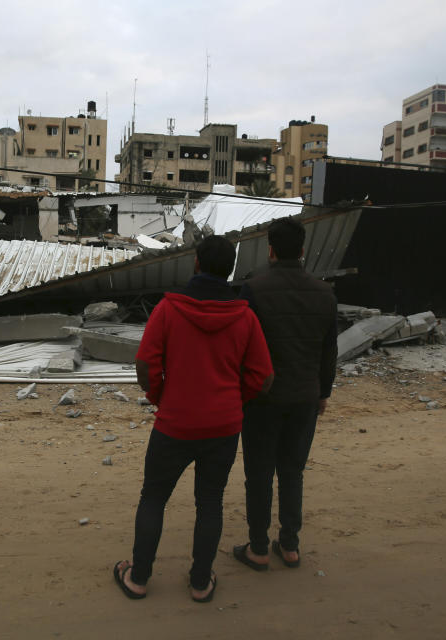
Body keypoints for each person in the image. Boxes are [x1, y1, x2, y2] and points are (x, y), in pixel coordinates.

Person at [113, 235, 273, 603]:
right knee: (210, 501)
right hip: (223, 427)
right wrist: (235, 400)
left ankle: (138, 578)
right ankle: (201, 583)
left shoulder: (169, 309)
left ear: (196, 264)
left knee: (153, 497)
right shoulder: (245, 316)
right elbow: (263, 377)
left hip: (175, 423)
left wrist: (159, 397)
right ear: (229, 268)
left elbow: (145, 364)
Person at [232, 217, 337, 572]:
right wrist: (324, 392)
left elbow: (242, 348)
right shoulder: (325, 293)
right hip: (305, 396)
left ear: (271, 250)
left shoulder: (254, 290)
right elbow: (329, 350)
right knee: (293, 471)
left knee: (259, 474)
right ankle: (289, 545)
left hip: (262, 399)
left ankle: (259, 548)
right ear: (303, 250)